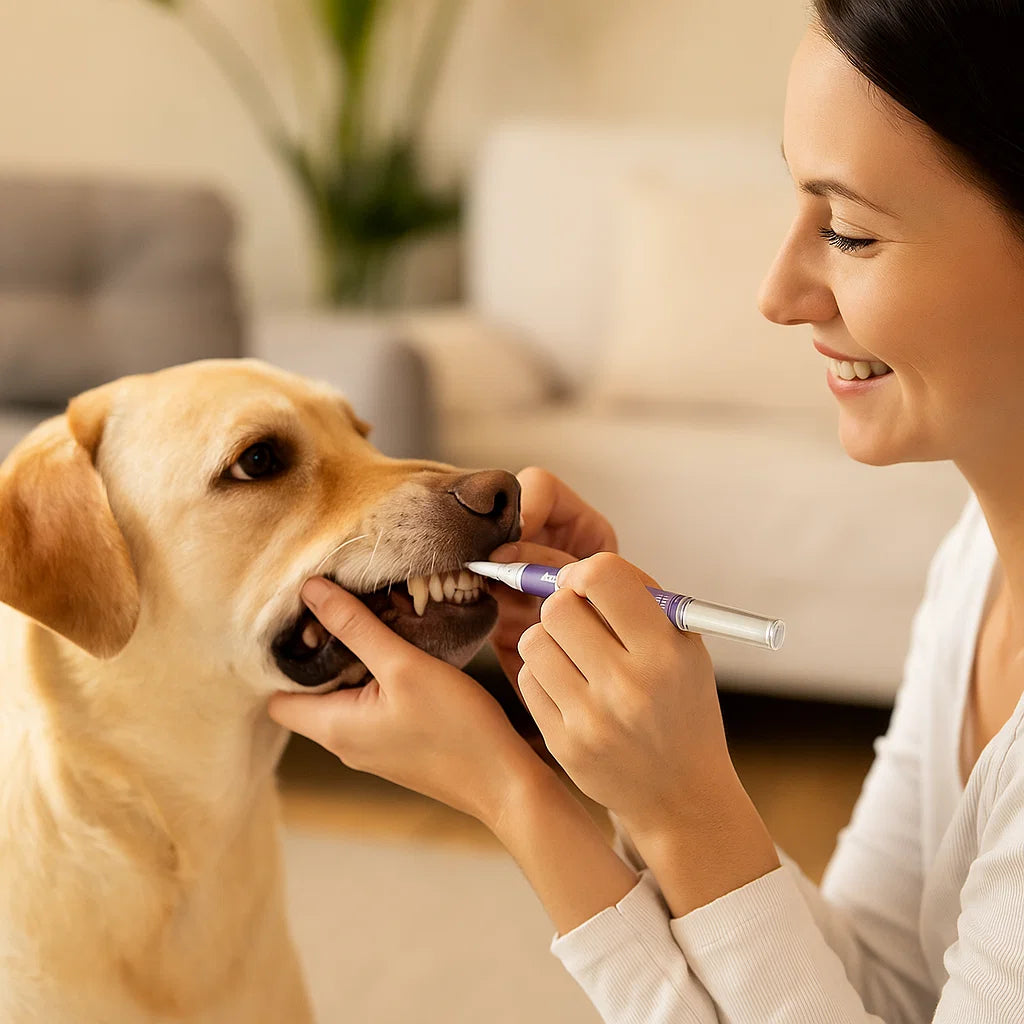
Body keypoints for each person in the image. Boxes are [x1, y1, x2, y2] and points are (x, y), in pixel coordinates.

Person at [268, 0, 1024, 1018]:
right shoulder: (978, 558)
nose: (776, 290)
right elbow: (883, 991)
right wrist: (641, 782)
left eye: (846, 230)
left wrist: (552, 796)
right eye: (797, 209)